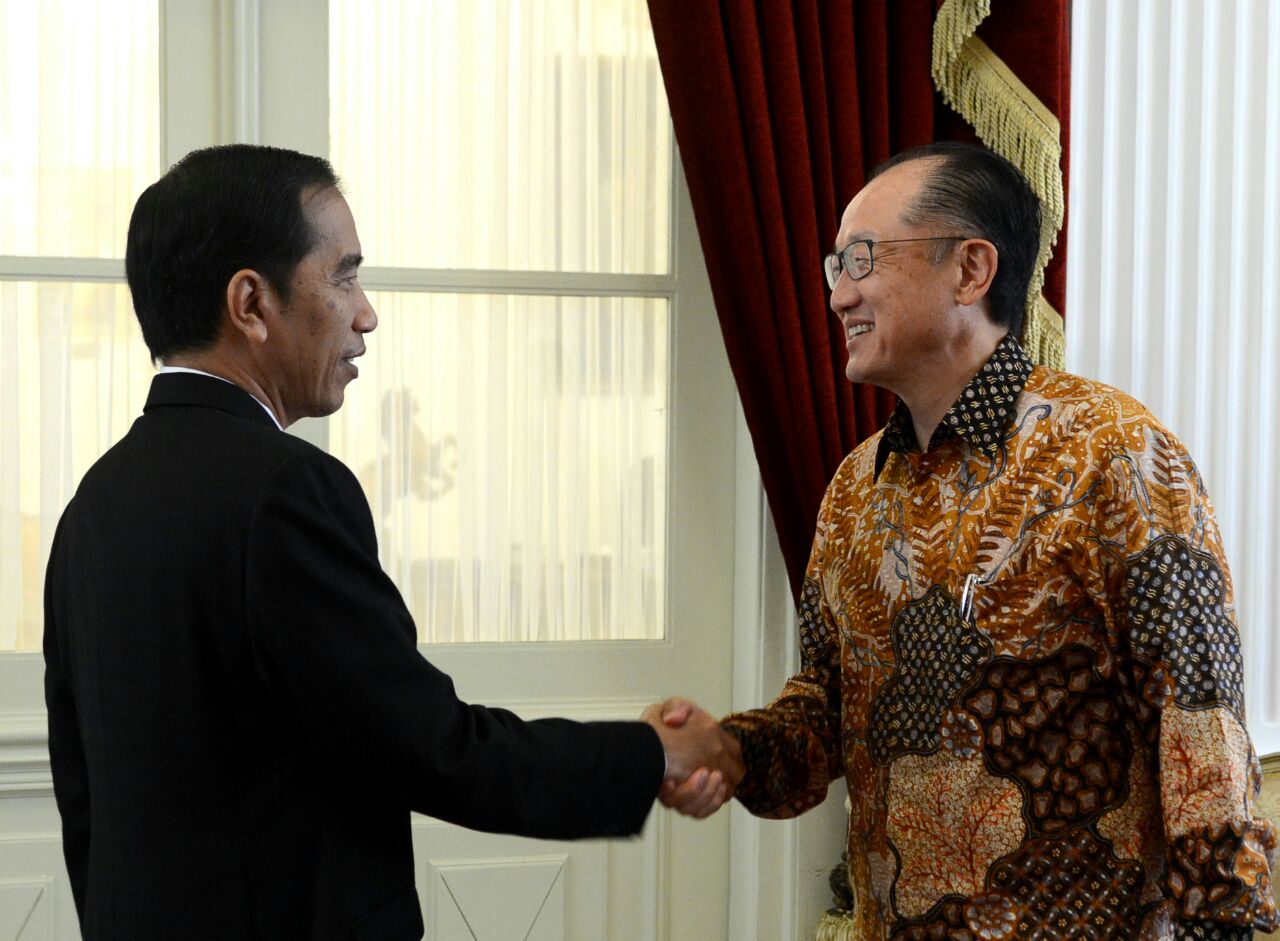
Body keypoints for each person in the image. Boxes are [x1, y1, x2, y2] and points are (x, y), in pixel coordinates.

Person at [42, 143, 740, 941]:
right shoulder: (286, 490)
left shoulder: (91, 504)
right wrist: (651, 754)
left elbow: (85, 800)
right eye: (342, 275)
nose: (365, 310)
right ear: (250, 302)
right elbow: (430, 747)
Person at [659, 142, 1277, 940]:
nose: (839, 293)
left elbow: (1203, 746)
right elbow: (825, 717)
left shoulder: (1112, 454)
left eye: (862, 259)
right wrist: (727, 749)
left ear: (971, 269)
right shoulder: (854, 489)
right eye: (834, 267)